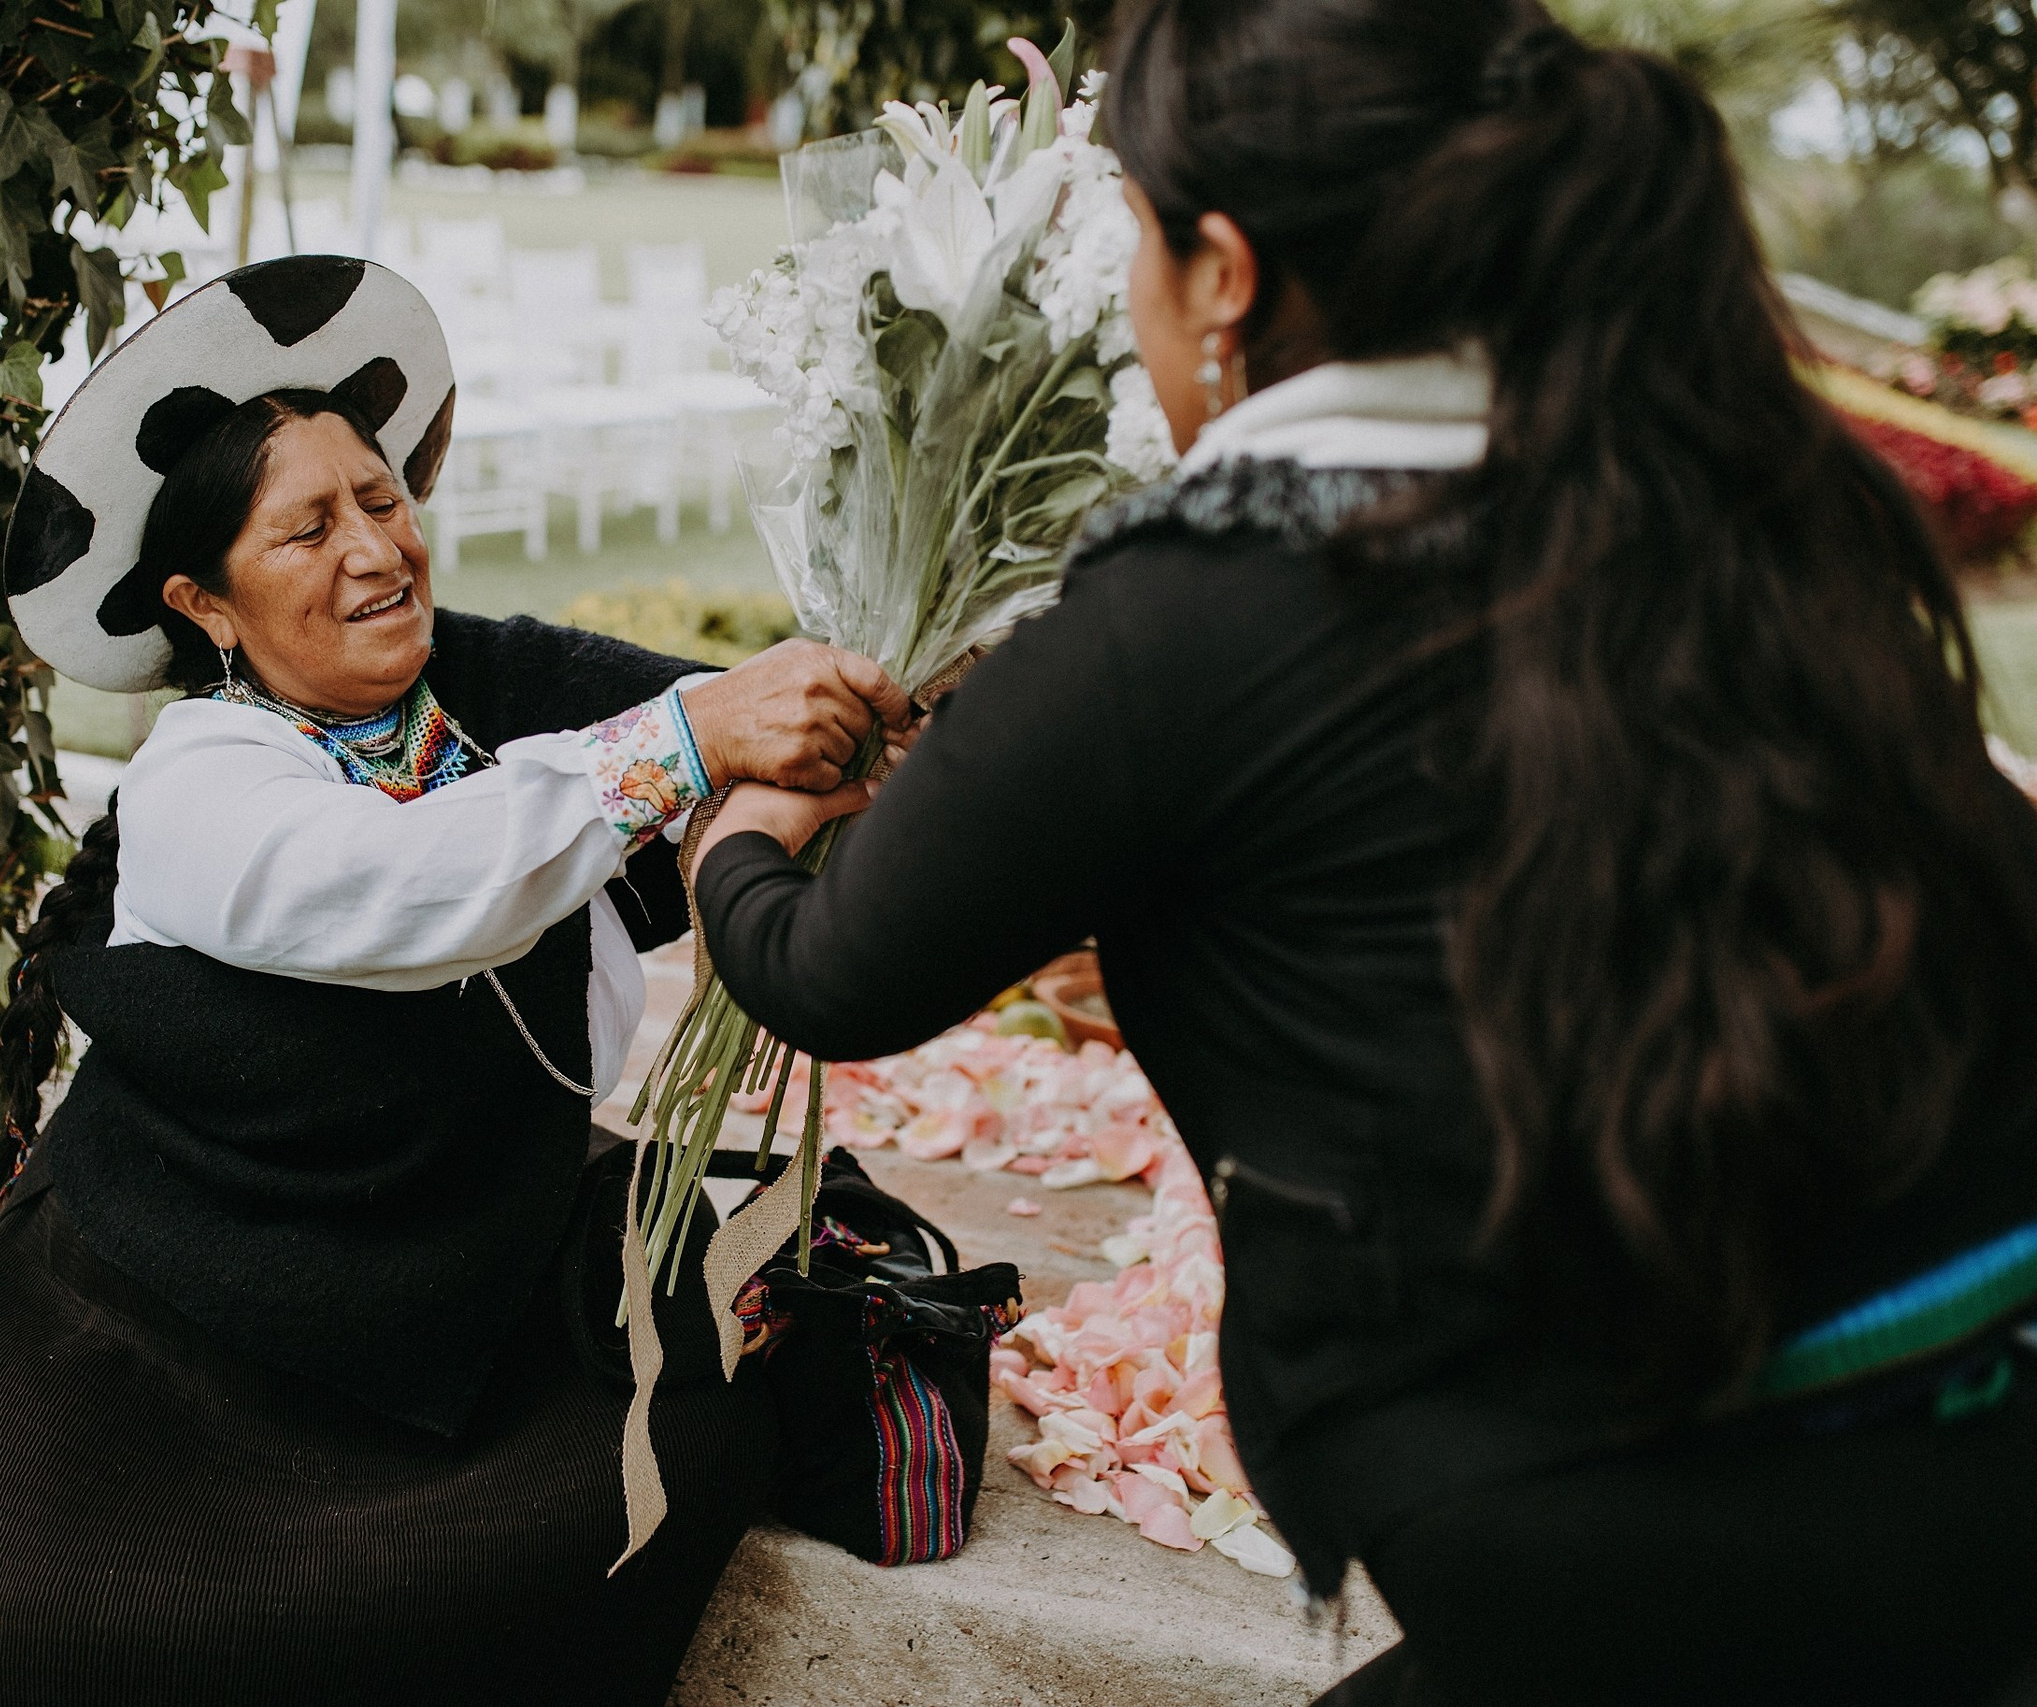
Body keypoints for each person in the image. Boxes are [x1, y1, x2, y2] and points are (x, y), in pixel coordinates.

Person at [688, 3, 2037, 1701]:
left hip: (1628, 1525)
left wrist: (735, 819)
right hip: (1973, 1421)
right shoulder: (1703, 488)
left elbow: (829, 973)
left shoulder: (1184, 613)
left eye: (1134, 228)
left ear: (1225, 275)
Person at [0, 256, 911, 1707]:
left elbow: (725, 753)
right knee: (100, 1634)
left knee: (671, 1450)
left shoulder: (501, 687)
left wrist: (846, 733)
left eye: (381, 500)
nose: (374, 548)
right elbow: (409, 880)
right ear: (207, 604)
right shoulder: (204, 775)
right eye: (306, 528)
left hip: (445, 1274)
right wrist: (695, 745)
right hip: (168, 1320)